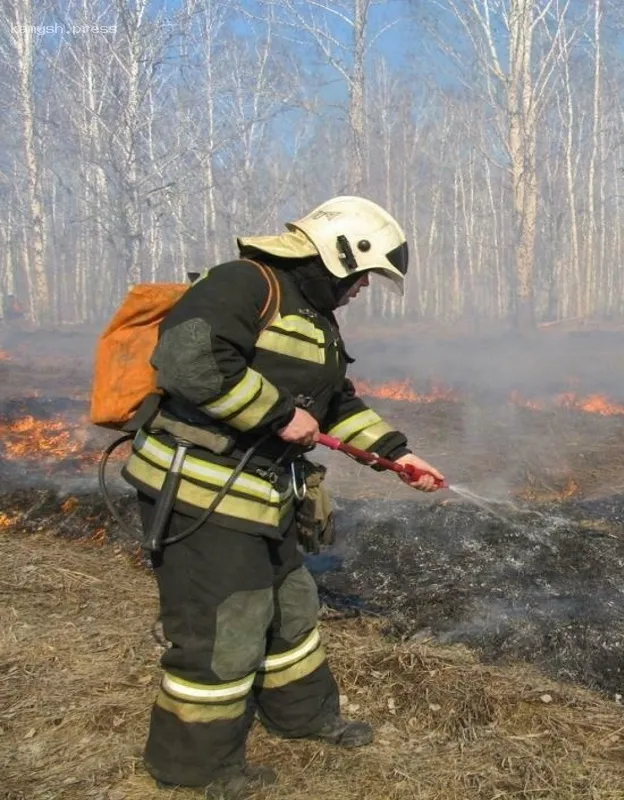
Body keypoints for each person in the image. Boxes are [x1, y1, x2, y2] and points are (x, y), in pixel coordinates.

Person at [120, 196, 444, 798]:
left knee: (292, 610)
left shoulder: (313, 315)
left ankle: (301, 717)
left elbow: (333, 403)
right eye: (361, 276)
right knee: (222, 627)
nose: (361, 290)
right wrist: (273, 412)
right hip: (202, 493)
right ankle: (194, 766)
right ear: (336, 257)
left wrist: (396, 453)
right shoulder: (244, 283)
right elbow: (187, 356)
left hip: (263, 496)